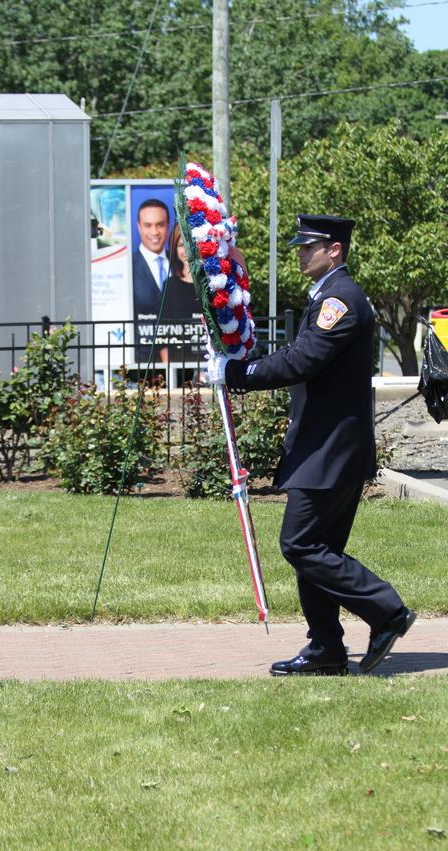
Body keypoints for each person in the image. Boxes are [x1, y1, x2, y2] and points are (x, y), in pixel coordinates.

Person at [205, 214, 416, 676]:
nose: (301, 252)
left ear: (335, 250)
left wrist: (239, 374)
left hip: (330, 449)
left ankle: (386, 609)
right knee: (316, 551)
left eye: (309, 246)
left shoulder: (340, 299)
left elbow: (303, 360)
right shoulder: (328, 295)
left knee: (300, 544)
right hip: (327, 446)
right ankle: (325, 649)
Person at [161, 222, 205, 365]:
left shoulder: (210, 284)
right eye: (181, 245)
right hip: (178, 367)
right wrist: (170, 374)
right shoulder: (169, 285)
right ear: (174, 249)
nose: (186, 250)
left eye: (189, 244)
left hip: (208, 363)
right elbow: (162, 335)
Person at [133, 198, 171, 364]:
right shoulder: (127, 268)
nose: (155, 232)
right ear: (138, 227)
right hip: (138, 364)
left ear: (168, 226)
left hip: (180, 364)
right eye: (148, 225)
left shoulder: (181, 265)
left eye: (160, 224)